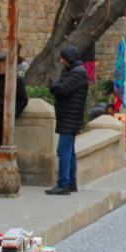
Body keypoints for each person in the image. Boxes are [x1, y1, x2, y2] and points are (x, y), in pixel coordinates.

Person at [47, 45, 89, 195]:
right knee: (69, 151)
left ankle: (63, 183)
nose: (61, 60)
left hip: (70, 118)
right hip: (67, 117)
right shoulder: (72, 72)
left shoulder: (77, 73)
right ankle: (71, 182)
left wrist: (53, 85)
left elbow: (61, 90)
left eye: (63, 58)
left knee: (63, 150)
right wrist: (55, 85)